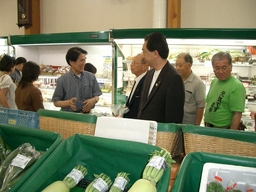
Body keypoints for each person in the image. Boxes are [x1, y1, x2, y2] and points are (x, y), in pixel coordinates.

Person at [138, 32, 185, 123]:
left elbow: (173, 118)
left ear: (155, 53)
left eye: (144, 52)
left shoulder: (173, 78)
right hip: (145, 132)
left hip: (162, 135)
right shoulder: (149, 74)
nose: (143, 56)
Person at [52, 47, 102, 113]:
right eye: (81, 60)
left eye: (84, 60)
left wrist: (93, 100)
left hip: (87, 116)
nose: (84, 63)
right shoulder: (62, 80)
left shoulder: (91, 77)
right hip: (70, 117)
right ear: (71, 62)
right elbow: (56, 102)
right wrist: (68, 103)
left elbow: (97, 96)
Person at [204, 51, 246, 130]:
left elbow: (237, 114)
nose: (220, 71)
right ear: (213, 69)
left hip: (223, 129)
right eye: (217, 68)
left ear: (231, 67)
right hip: (209, 127)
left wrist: (230, 134)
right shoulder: (214, 82)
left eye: (224, 68)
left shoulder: (236, 86)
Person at [175, 53, 206, 125]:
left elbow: (201, 107)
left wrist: (196, 126)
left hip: (189, 124)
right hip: (175, 123)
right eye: (176, 65)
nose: (177, 68)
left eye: (180, 65)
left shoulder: (198, 83)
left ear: (189, 65)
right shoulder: (175, 79)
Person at [123, 53, 149, 119]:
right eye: (132, 62)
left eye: (134, 63)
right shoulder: (138, 80)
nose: (131, 65)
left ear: (144, 66)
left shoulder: (146, 82)